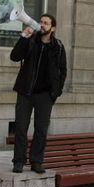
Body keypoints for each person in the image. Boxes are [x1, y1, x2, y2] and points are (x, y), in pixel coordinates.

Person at [10, 14, 67, 173]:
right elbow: (14, 57)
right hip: (25, 92)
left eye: (45, 23)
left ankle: (36, 161)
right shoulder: (30, 41)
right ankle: (19, 161)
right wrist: (23, 38)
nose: (41, 25)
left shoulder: (58, 47)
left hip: (45, 95)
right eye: (41, 22)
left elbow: (63, 71)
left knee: (41, 129)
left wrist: (56, 92)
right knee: (21, 127)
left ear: (52, 28)